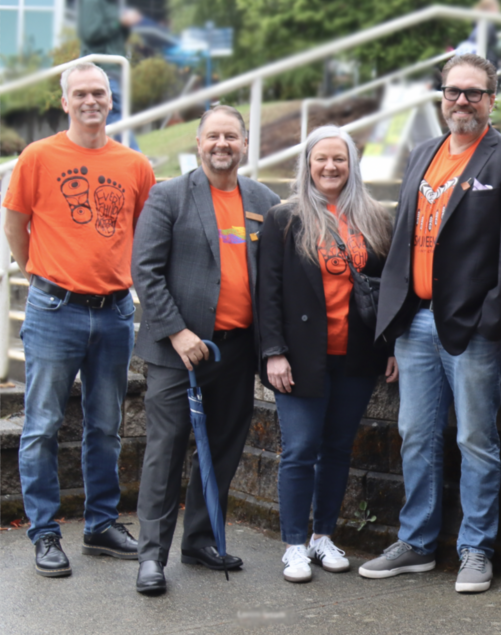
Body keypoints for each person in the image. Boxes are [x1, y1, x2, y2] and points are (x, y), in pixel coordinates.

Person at [365, 54, 501, 594]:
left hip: (472, 331)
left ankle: (476, 548)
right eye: (452, 91)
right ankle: (417, 543)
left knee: (475, 439)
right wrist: (394, 321)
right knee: (415, 435)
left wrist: (490, 322)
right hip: (415, 324)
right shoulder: (423, 153)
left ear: (492, 99)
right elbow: (402, 240)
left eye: (473, 92)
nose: (461, 101)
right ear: (441, 96)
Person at [2, 61, 155, 577]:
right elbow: (15, 223)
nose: (92, 101)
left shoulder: (135, 165)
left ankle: (100, 525)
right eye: (81, 93)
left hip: (114, 312)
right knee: (42, 425)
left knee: (106, 426)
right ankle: (45, 532)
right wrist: (39, 274)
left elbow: (143, 236)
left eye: (100, 93)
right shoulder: (38, 156)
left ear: (111, 101)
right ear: (64, 102)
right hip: (54, 309)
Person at [130, 106, 281, 595]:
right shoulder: (168, 196)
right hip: (179, 353)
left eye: (231, 136)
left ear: (245, 144)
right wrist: (177, 332)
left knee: (221, 450)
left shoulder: (264, 201)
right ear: (198, 143)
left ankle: (199, 541)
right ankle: (151, 557)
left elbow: (276, 276)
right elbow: (145, 271)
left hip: (236, 351)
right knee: (166, 451)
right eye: (213, 136)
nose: (222, 144)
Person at [259, 126, 397, 584]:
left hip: (355, 355)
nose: (330, 166)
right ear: (308, 164)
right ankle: (294, 545)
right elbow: (268, 293)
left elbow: (387, 291)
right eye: (321, 158)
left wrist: (390, 347)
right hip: (300, 357)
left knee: (338, 449)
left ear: (352, 164)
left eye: (340, 158)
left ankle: (323, 537)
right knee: (300, 449)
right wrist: (274, 352)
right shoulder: (284, 219)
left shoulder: (375, 219)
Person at [77, 0, 142, 150]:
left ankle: (135, 158)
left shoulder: (114, 4)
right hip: (100, 70)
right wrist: (118, 22)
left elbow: (118, 35)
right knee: (112, 115)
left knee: (114, 117)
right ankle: (137, 158)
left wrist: (126, 23)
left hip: (115, 67)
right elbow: (90, 33)